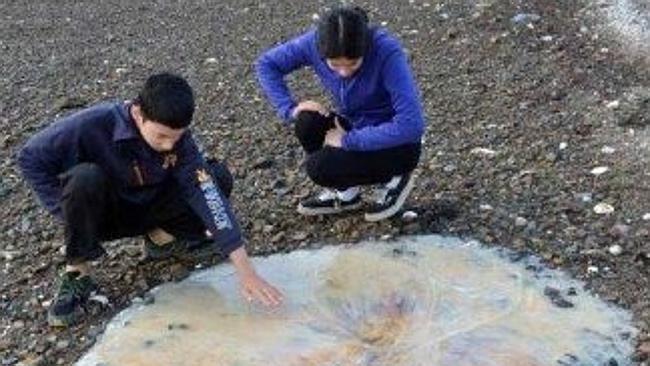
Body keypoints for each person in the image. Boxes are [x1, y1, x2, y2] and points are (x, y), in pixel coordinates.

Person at [17, 73, 283, 327]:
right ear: (137, 113)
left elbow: (209, 196)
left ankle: (161, 240)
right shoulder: (91, 124)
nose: (169, 146)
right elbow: (30, 157)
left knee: (215, 178)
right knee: (84, 179)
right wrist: (66, 213)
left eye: (176, 137)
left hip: (149, 207)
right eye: (161, 136)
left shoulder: (181, 143)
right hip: (103, 215)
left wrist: (245, 270)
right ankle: (78, 272)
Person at [256, 6, 425, 222]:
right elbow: (267, 64)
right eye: (334, 65)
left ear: (365, 49)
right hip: (355, 125)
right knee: (307, 122)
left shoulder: (386, 51)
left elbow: (411, 125)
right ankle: (347, 194)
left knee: (318, 167)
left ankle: (396, 178)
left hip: (398, 144)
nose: (344, 72)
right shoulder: (314, 42)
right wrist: (289, 108)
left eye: (353, 64)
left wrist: (348, 141)